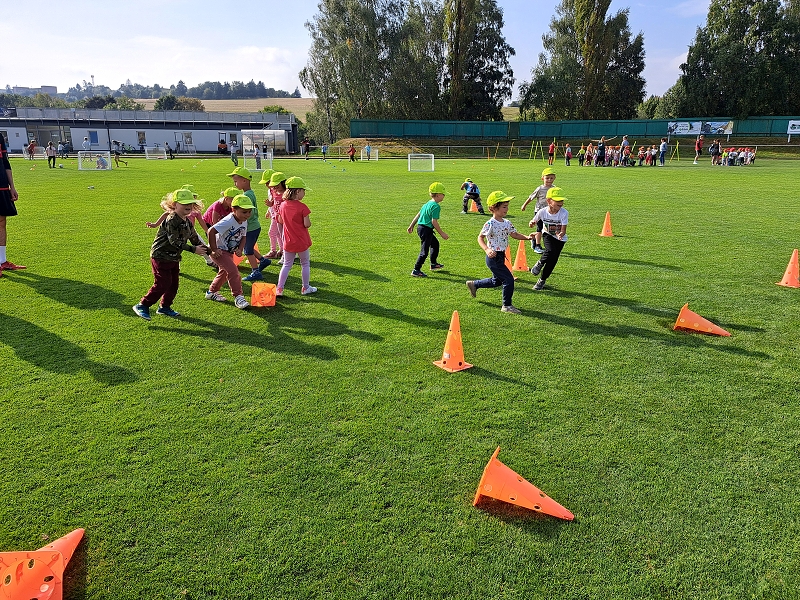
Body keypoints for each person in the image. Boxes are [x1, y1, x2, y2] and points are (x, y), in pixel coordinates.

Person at [133, 190, 208, 320]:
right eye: (184, 203)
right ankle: (142, 305)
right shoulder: (172, 219)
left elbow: (194, 238)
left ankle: (164, 307)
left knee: (173, 284)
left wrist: (212, 252)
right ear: (174, 204)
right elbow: (174, 241)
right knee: (163, 282)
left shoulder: (187, 221)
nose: (188, 206)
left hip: (174, 257)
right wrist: (193, 249)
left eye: (190, 203)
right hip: (160, 256)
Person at [465, 191, 534, 315]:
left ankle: (474, 284)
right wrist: (487, 249)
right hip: (493, 257)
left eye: (507, 206)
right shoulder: (490, 224)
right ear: (494, 208)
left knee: (496, 281)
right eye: (504, 207)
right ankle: (506, 306)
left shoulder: (507, 223)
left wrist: (527, 237)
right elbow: (480, 237)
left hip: (501, 255)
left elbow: (514, 234)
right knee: (509, 279)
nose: (507, 209)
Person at [222, 167, 271, 282]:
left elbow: (251, 212)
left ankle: (255, 272)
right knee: (248, 247)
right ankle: (263, 260)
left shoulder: (247, 196)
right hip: (253, 227)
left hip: (251, 228)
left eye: (236, 181)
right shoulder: (249, 193)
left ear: (244, 180)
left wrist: (239, 219)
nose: (235, 184)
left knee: (247, 250)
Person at [206, 194, 253, 309]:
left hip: (228, 251)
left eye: (249, 212)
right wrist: (214, 249)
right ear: (234, 210)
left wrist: (240, 249)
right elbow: (211, 231)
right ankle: (238, 296)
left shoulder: (243, 220)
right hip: (219, 251)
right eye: (244, 212)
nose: (247, 215)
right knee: (233, 271)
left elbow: (244, 236)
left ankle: (211, 292)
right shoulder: (228, 221)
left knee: (224, 272)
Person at [276, 176, 316, 296]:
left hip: (288, 241)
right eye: (303, 191)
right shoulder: (303, 207)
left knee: (286, 264)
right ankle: (305, 287)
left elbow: (280, 220)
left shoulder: (283, 205)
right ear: (298, 191)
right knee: (305, 263)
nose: (304, 193)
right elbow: (307, 224)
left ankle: (279, 289)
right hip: (301, 241)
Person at [529, 187, 569, 291]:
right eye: (558, 201)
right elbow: (534, 220)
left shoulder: (564, 213)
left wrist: (560, 234)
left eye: (562, 200)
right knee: (550, 250)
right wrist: (532, 223)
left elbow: (564, 229)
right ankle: (540, 263)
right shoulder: (542, 212)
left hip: (560, 239)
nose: (561, 203)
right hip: (547, 235)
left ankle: (542, 280)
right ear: (549, 201)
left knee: (553, 260)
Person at [407, 182, 449, 277]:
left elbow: (418, 215)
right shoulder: (436, 206)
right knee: (424, 251)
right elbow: (434, 222)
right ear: (438, 195)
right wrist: (442, 233)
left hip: (421, 228)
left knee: (435, 244)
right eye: (443, 194)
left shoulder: (427, 204)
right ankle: (416, 270)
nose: (444, 196)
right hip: (426, 230)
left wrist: (411, 225)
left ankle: (433, 264)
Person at [0, 135, 24, 277]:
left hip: (2, 185)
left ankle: (2, 261)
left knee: (1, 222)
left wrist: (12, 187)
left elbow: (5, 162)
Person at [520, 167, 555, 254]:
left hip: (549, 212)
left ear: (554, 178)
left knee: (549, 229)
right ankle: (537, 246)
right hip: (539, 211)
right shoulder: (540, 189)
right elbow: (531, 197)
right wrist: (524, 205)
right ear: (542, 178)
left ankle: (535, 239)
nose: (549, 180)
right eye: (547, 178)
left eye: (551, 178)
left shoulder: (554, 188)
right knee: (540, 228)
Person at [266, 171, 287, 260]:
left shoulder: (286, 193)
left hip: (284, 218)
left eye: (277, 184)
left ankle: (277, 251)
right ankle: (282, 251)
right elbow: (274, 203)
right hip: (277, 217)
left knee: (278, 234)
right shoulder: (274, 192)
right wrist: (270, 206)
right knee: (279, 234)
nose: (274, 186)